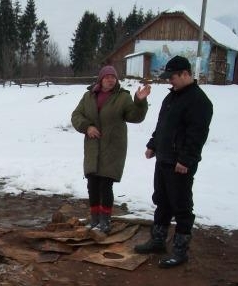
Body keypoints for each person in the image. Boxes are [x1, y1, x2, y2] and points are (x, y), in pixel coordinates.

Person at [134, 56, 213, 268]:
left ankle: (180, 250)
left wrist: (186, 160)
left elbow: (196, 136)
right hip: (164, 159)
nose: (170, 81)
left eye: (173, 77)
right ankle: (158, 240)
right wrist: (153, 144)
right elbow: (162, 126)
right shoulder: (171, 98)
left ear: (186, 74)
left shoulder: (199, 101)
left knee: (182, 206)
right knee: (162, 200)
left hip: (180, 163)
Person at [71, 65, 151, 233]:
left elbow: (135, 117)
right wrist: (87, 127)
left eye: (113, 77)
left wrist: (140, 101)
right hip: (93, 147)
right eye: (107, 77)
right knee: (92, 184)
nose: (110, 80)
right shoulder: (89, 96)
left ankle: (105, 221)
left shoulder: (122, 97)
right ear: (101, 79)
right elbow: (76, 116)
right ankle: (94, 219)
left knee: (105, 184)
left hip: (112, 147)